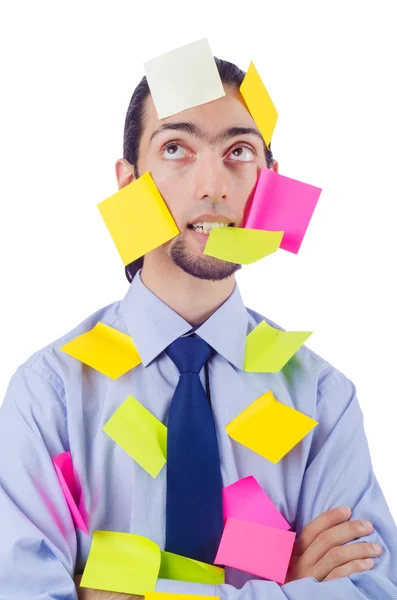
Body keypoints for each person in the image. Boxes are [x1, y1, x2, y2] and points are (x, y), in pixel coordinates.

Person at [0, 56, 396, 600]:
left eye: (239, 151)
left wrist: (109, 594)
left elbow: (371, 590)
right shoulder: (49, 395)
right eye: (175, 149)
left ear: (267, 185)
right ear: (128, 185)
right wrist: (284, 588)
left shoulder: (324, 400)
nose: (212, 185)